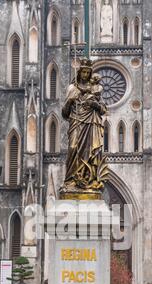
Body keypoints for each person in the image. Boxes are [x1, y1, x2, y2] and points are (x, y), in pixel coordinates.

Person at [61, 59, 107, 193]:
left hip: (91, 123)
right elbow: (64, 114)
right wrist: (69, 101)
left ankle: (88, 179)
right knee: (73, 147)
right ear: (79, 72)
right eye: (83, 72)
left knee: (91, 152)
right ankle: (70, 181)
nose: (85, 74)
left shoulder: (95, 89)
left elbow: (103, 109)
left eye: (88, 72)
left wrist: (94, 105)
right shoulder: (72, 88)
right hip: (76, 121)